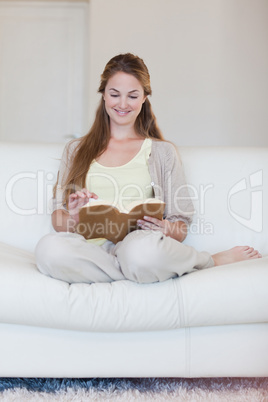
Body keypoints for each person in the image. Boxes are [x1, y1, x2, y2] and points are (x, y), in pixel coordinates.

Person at [35, 53, 262, 284]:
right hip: (90, 250)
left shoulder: (163, 152)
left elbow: (180, 226)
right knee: (48, 250)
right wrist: (73, 216)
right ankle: (134, 271)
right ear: (103, 94)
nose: (122, 104)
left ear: (144, 98)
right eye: (114, 94)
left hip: (139, 246)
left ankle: (198, 261)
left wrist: (164, 227)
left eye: (132, 96)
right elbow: (58, 220)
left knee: (141, 252)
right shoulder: (75, 150)